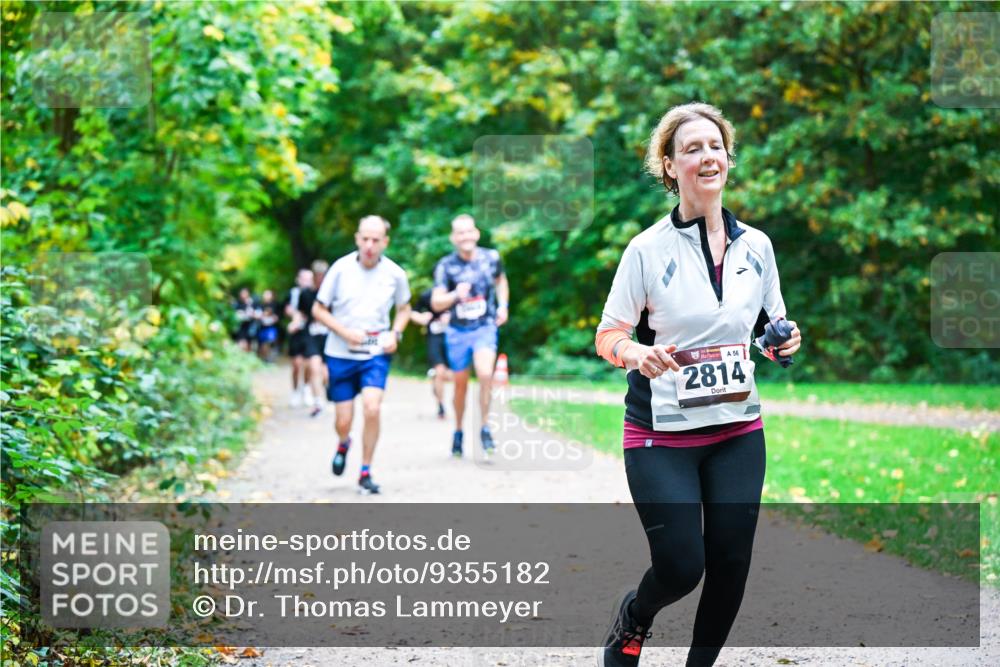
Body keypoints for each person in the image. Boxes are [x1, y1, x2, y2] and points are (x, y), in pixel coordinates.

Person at [594, 103, 802, 667]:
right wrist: (639, 353)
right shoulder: (646, 249)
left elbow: (767, 328)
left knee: (732, 561)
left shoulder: (757, 246)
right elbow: (608, 335)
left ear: (728, 159)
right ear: (668, 165)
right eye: (691, 148)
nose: (706, 156)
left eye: (715, 146)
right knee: (683, 565)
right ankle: (635, 617)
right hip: (662, 435)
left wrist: (782, 340)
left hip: (737, 431)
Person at [311, 216, 411, 495]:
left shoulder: (395, 274)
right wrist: (343, 331)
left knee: (372, 407)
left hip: (375, 352)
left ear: (385, 242)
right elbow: (318, 310)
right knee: (343, 420)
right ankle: (344, 442)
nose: (369, 245)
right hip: (340, 353)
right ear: (357, 238)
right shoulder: (340, 269)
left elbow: (404, 309)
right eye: (365, 239)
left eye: (376, 240)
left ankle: (365, 470)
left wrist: (396, 333)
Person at [431, 214, 509, 458]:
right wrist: (455, 295)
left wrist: (503, 305)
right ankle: (458, 430)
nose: (465, 236)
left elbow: (501, 280)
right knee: (460, 385)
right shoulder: (446, 265)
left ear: (476, 233)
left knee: (485, 374)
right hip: (457, 331)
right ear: (454, 238)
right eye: (459, 233)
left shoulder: (491, 257)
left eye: (468, 231)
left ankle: (485, 427)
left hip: (484, 327)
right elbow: (436, 302)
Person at [410, 288, 452, 419]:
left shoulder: (457, 291)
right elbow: (411, 313)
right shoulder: (427, 295)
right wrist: (421, 318)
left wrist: (453, 317)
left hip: (454, 338)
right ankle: (441, 406)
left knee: (450, 375)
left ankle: (437, 385)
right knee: (440, 371)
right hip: (434, 338)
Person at [286, 268, 316, 407]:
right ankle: (295, 391)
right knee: (297, 364)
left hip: (310, 332)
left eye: (309, 278)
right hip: (296, 333)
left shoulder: (316, 294)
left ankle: (307, 389)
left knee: (310, 364)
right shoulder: (293, 293)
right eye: (304, 278)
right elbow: (286, 309)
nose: (307, 281)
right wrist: (294, 318)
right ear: (298, 279)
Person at [256, 289, 280, 362]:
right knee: (262, 344)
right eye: (265, 294)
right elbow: (257, 314)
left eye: (268, 294)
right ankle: (263, 358)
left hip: (271, 327)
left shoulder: (275, 305)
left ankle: (268, 357)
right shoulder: (260, 305)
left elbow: (278, 316)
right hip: (262, 327)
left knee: (269, 341)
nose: (266, 296)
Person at [233, 287, 258, 352]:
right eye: (242, 293)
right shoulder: (237, 303)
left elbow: (255, 314)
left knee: (247, 345)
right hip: (239, 327)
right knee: (240, 344)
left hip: (249, 327)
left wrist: (249, 304)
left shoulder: (252, 303)